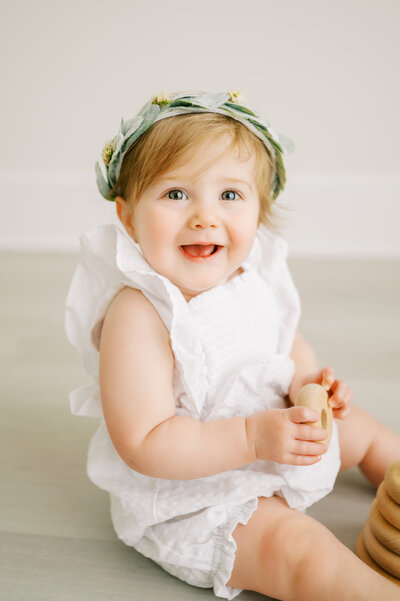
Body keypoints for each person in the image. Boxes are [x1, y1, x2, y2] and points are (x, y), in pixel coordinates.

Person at [66, 91, 400, 600]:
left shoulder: (251, 274)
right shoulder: (139, 314)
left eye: (230, 195)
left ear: (259, 209)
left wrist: (310, 386)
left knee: (367, 431)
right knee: (297, 549)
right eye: (176, 194)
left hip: (272, 434)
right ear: (128, 216)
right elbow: (145, 441)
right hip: (193, 491)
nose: (204, 216)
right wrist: (250, 439)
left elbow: (287, 343)